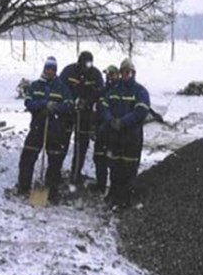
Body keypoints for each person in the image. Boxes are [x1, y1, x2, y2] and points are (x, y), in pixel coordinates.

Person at [17, 56, 73, 203]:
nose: (49, 71)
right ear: (44, 69)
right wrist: (43, 104)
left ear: (56, 71)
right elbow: (28, 102)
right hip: (37, 126)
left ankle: (51, 190)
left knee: (55, 159)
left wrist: (55, 108)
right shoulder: (35, 86)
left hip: (55, 128)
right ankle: (23, 187)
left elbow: (69, 105)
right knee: (28, 155)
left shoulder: (62, 87)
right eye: (47, 68)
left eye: (52, 69)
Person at [101, 58, 150, 208]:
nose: (125, 75)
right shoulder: (114, 90)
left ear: (133, 73)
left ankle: (127, 199)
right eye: (123, 72)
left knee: (129, 168)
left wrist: (123, 122)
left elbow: (141, 111)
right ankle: (114, 196)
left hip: (132, 136)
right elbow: (104, 106)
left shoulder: (140, 91)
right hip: (115, 135)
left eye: (128, 72)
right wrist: (110, 120)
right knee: (115, 166)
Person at [59, 51, 104, 184]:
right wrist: (70, 101)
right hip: (68, 112)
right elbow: (61, 88)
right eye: (84, 64)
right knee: (62, 142)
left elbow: (99, 91)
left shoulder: (95, 74)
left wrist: (87, 101)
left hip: (85, 114)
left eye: (89, 64)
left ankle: (76, 173)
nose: (86, 66)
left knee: (81, 145)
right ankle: (55, 171)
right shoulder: (69, 71)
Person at [91, 65, 120, 194]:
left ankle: (114, 187)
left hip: (114, 130)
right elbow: (95, 109)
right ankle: (100, 184)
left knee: (113, 160)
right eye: (107, 74)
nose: (109, 77)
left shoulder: (120, 91)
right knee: (99, 158)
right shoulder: (101, 91)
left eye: (112, 74)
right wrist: (93, 127)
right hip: (100, 129)